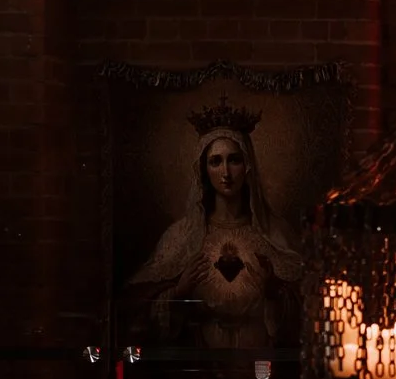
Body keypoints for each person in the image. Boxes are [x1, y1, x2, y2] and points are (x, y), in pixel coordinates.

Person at [125, 99, 303, 349]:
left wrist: (274, 293)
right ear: (203, 170)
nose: (226, 173)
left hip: (259, 365)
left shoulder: (275, 232)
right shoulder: (180, 236)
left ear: (248, 166)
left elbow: (309, 314)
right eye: (216, 161)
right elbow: (137, 314)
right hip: (200, 368)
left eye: (234, 160)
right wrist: (178, 293)